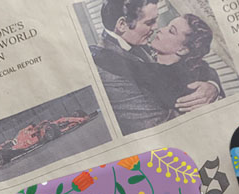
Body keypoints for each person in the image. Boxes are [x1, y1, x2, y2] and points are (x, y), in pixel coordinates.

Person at [91, 0, 219, 134]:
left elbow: (202, 69)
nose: (157, 27)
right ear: (122, 25)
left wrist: (213, 86)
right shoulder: (109, 76)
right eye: (149, 22)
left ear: (183, 50)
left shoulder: (139, 43)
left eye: (170, 30)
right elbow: (160, 125)